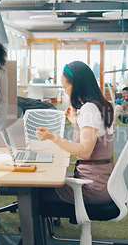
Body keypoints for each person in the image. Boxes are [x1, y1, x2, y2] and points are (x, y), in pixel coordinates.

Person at [36, 61, 115, 205]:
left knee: (35, 190)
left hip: (92, 189)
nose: (64, 91)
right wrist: (75, 120)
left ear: (77, 86)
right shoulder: (102, 105)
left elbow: (85, 151)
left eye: (65, 87)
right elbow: (95, 133)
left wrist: (52, 136)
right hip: (103, 183)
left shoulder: (89, 109)